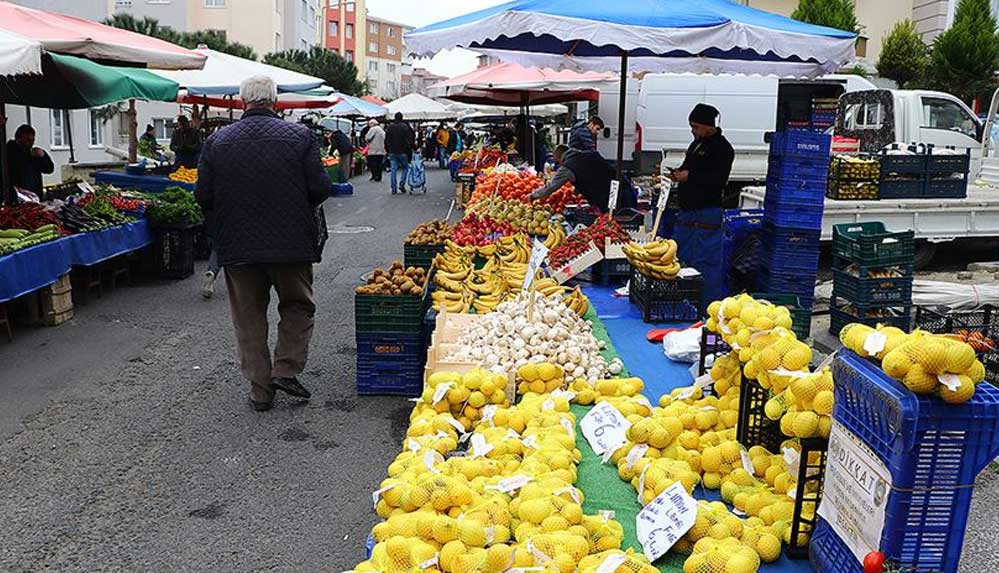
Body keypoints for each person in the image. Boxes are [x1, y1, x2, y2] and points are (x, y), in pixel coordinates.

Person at [194, 75, 330, 412]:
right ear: (275, 102)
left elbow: (202, 195)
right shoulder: (301, 137)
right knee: (298, 305)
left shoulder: (217, 142)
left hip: (238, 245)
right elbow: (320, 188)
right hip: (291, 243)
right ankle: (285, 368)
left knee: (249, 317)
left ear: (242, 102)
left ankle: (260, 391)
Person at [667, 103, 735, 304]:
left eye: (696, 126)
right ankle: (682, 301)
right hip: (687, 213)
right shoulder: (696, 144)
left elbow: (718, 179)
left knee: (707, 263)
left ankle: (707, 307)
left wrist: (690, 176)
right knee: (682, 259)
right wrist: (677, 173)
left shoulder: (723, 148)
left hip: (707, 213)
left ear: (709, 126)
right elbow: (688, 167)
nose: (693, 130)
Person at [530, 144, 635, 212]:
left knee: (617, 225)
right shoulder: (589, 154)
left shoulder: (567, 167)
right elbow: (591, 174)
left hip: (611, 198)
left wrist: (532, 196)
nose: (559, 165)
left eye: (557, 162)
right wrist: (576, 191)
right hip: (623, 187)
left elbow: (550, 188)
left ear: (560, 158)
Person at [6, 125, 54, 197]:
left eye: (33, 140)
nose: (31, 143)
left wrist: (43, 156)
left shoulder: (33, 153)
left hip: (34, 196)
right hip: (16, 197)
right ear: (19, 139)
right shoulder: (9, 153)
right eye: (28, 140)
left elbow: (49, 169)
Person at [385, 112, 415, 195]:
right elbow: (409, 140)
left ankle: (393, 187)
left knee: (393, 169)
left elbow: (386, 140)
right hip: (403, 151)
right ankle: (402, 184)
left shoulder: (390, 127)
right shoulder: (405, 127)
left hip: (392, 151)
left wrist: (387, 150)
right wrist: (411, 149)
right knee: (405, 168)